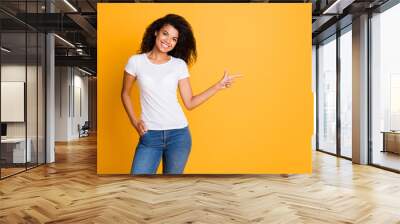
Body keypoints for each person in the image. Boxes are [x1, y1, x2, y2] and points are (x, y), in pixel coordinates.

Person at [121, 14, 242, 175]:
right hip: (150, 135)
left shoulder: (178, 65)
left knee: (172, 190)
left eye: (174, 39)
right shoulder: (136, 62)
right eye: (165, 34)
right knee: (137, 184)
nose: (168, 41)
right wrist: (135, 122)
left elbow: (190, 102)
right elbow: (125, 94)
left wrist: (217, 86)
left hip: (179, 136)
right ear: (156, 32)